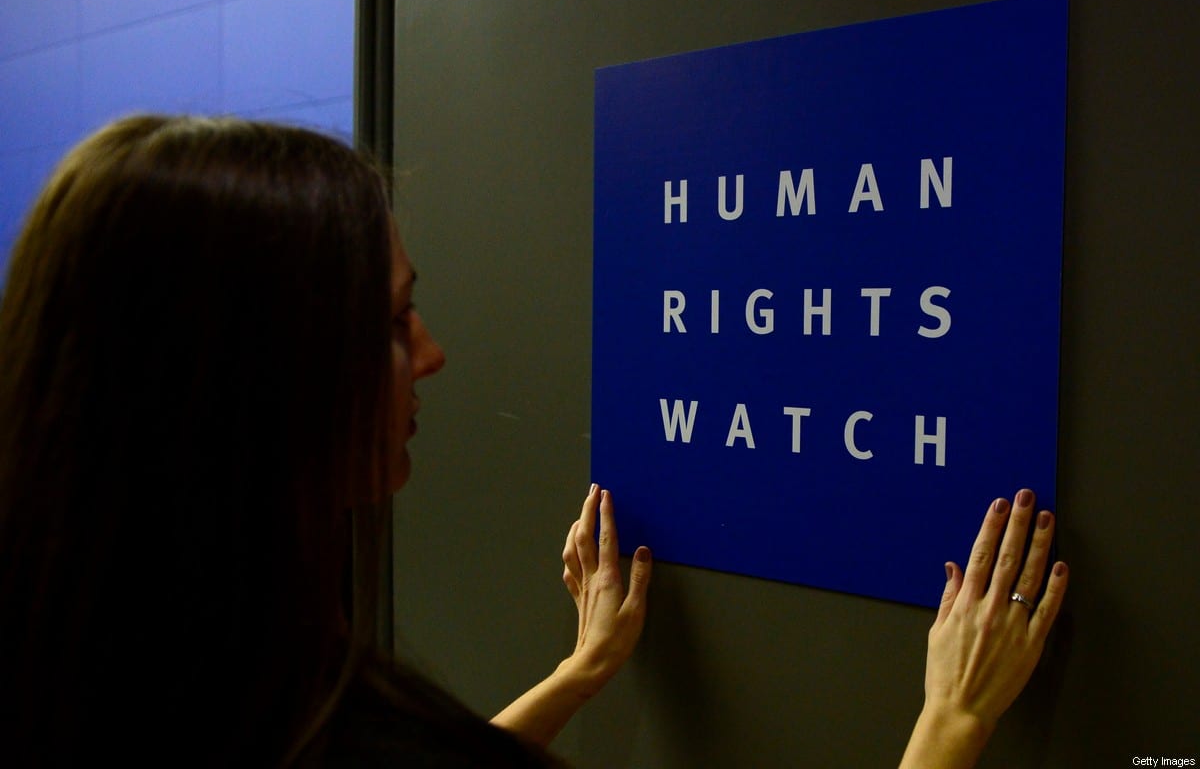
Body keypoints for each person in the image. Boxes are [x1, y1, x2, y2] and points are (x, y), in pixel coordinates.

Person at [0, 115, 1066, 767]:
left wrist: (582, 666)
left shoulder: (119, 676)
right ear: (254, 383)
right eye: (389, 320)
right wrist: (952, 718)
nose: (434, 352)